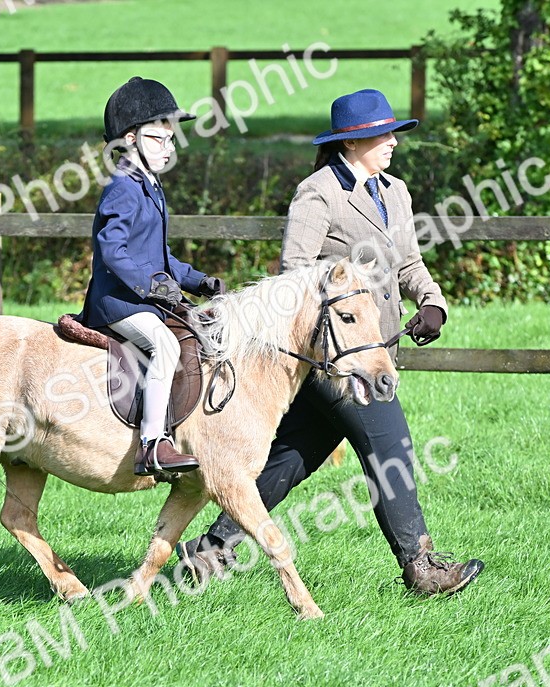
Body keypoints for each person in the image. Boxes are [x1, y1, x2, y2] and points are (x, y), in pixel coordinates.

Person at [176, 89, 484, 597]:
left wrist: (432, 302)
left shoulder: (396, 192)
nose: (392, 143)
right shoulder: (318, 193)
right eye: (383, 135)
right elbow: (294, 276)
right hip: (333, 359)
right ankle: (421, 566)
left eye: (392, 133)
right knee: (392, 448)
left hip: (375, 348)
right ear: (353, 141)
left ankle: (210, 553)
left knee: (297, 454)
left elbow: (409, 264)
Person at [81, 77, 225, 477]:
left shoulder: (151, 187)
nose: (170, 147)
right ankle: (152, 444)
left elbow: (159, 255)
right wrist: (151, 285)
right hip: (118, 302)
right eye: (160, 139)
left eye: (172, 139)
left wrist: (198, 281)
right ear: (130, 139)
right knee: (165, 344)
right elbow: (113, 251)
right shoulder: (123, 188)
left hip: (145, 298)